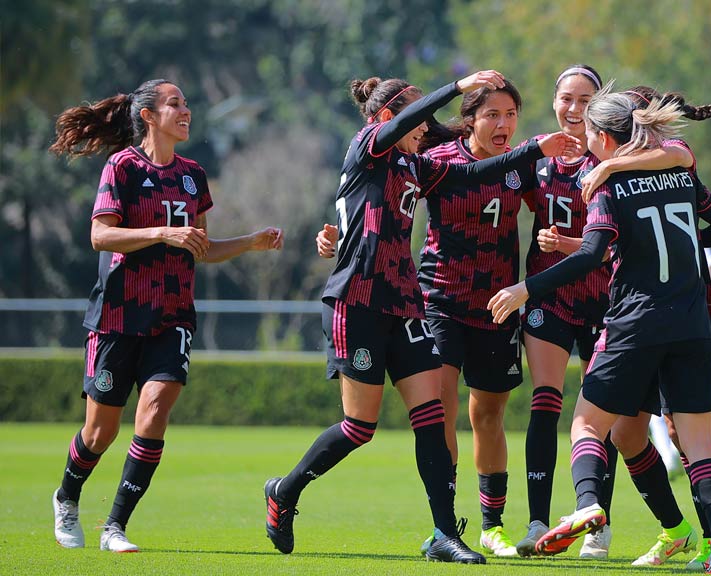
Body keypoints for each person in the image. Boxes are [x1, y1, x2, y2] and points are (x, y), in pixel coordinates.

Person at [263, 71, 580, 563]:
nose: (427, 125)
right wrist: (457, 87)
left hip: (405, 303)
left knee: (432, 417)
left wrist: (536, 148)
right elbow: (407, 122)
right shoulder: (369, 144)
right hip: (358, 302)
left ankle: (445, 533)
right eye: (418, 116)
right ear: (390, 117)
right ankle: (284, 491)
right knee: (358, 427)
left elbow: (473, 175)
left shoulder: (415, 166)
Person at [489, 88, 711, 574]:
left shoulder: (605, 185)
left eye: (588, 132)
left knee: (586, 425)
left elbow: (588, 256)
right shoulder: (680, 174)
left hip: (634, 325)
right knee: (665, 439)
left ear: (603, 137)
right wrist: (671, 235)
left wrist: (525, 289)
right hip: (692, 326)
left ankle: (587, 503)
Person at [48, 79, 284, 553]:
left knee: (155, 409)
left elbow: (200, 246)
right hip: (117, 315)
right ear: (149, 116)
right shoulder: (123, 167)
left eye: (186, 103)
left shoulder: (194, 175)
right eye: (175, 103)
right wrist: (161, 232)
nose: (186, 110)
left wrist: (249, 242)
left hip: (173, 315)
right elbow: (100, 236)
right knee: (101, 430)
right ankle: (67, 496)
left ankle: (114, 526)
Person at [415, 80, 528, 557]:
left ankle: (492, 525)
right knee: (440, 406)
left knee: (488, 414)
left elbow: (560, 211)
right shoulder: (439, 163)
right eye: (492, 115)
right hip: (439, 299)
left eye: (510, 114)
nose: (503, 124)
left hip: (498, 306)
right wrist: (340, 236)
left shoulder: (525, 164)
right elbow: (385, 205)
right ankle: (446, 526)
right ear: (470, 120)